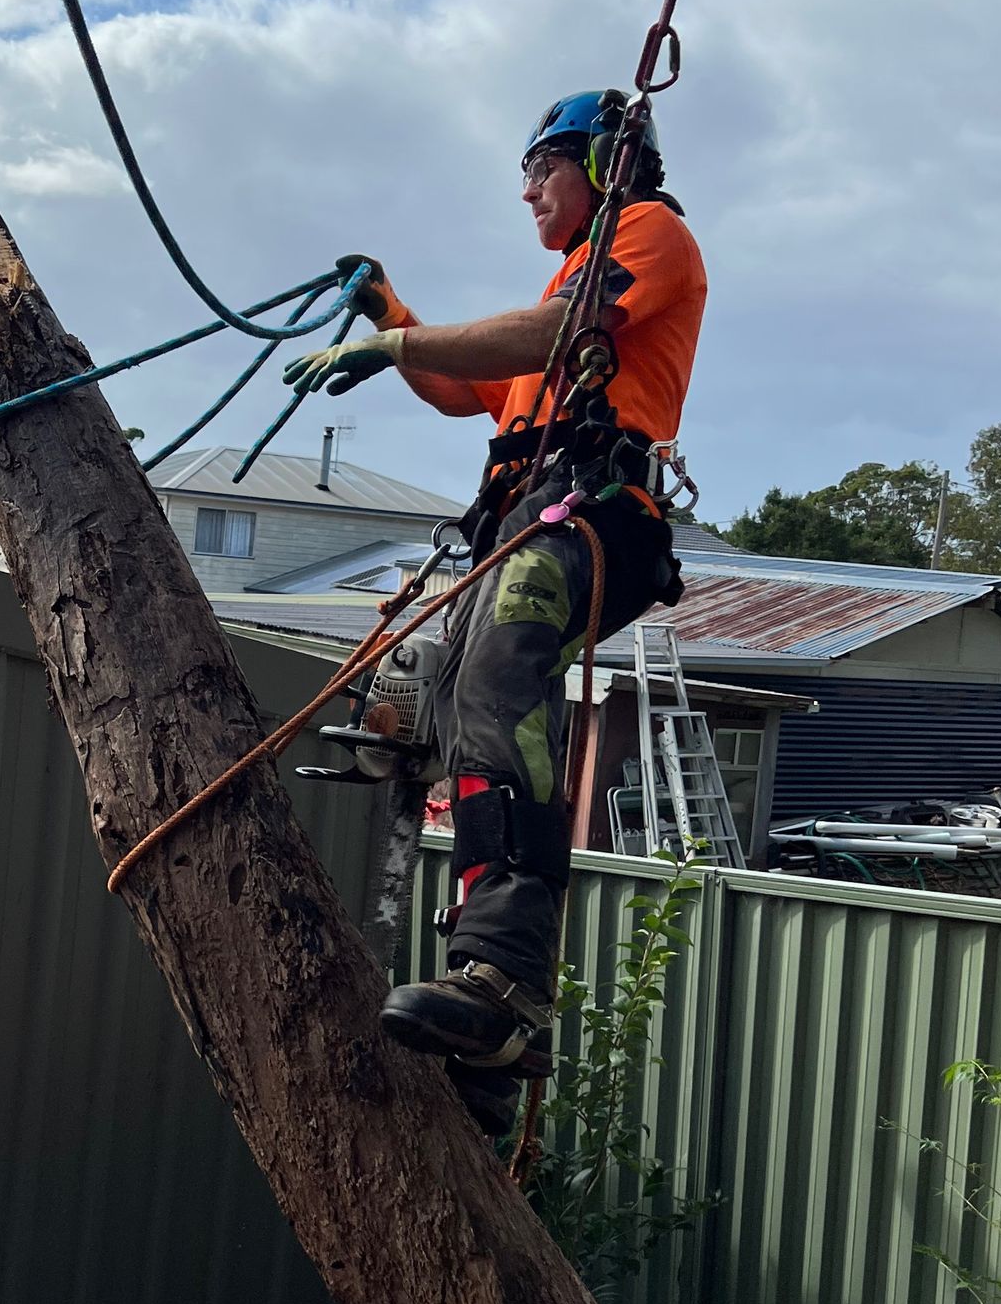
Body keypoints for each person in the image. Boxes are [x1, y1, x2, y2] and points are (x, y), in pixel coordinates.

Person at [282, 89, 707, 1135]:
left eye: (543, 168)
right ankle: (481, 1015)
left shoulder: (648, 237)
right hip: (524, 521)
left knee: (501, 673)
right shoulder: (554, 299)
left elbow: (563, 325)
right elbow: (456, 382)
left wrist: (389, 346)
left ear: (604, 165)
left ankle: (508, 974)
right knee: (460, 704)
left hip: (596, 515)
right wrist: (388, 313)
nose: (527, 190)